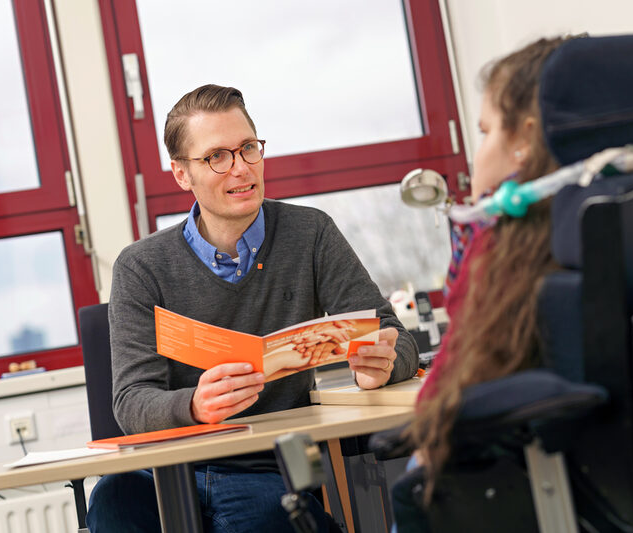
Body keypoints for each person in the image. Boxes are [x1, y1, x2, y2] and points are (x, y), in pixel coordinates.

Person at [87, 84, 419, 532]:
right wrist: (196, 405)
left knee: (268, 515)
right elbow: (131, 402)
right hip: (165, 469)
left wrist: (384, 363)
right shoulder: (141, 266)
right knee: (111, 499)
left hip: (267, 468)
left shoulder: (311, 233)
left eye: (248, 148)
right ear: (182, 174)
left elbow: (394, 335)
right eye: (217, 157)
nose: (241, 168)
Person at [395, 35, 570, 526]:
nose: (478, 149)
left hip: (491, 483)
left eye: (485, 129)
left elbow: (444, 393)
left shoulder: (501, 246)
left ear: (524, 141)